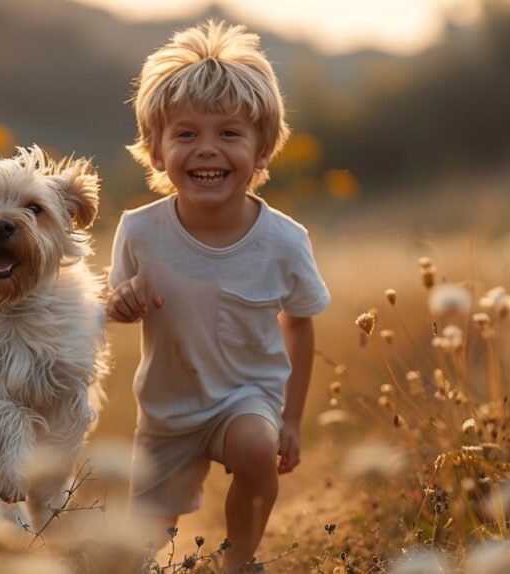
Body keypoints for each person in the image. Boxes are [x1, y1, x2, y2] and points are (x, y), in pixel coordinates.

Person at [106, 19, 331, 572]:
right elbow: (114, 305)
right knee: (138, 549)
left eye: (229, 134)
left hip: (244, 400)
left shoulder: (284, 240)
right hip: (167, 411)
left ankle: (239, 562)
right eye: (186, 134)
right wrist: (124, 301)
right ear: (156, 151)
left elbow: (299, 323)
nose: (207, 150)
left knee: (257, 445)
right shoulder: (138, 231)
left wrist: (292, 419)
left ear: (261, 150)